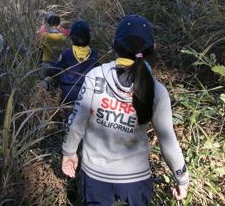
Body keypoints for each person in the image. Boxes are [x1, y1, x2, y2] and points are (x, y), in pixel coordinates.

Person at [61, 15, 189, 205]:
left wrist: (69, 152)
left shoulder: (95, 77)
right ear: (150, 50)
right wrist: (182, 178)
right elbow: (168, 140)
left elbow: (77, 122)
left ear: (114, 44)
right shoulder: (157, 91)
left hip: (96, 179)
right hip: (136, 182)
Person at [53, 21, 100, 107]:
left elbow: (55, 70)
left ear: (71, 37)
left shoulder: (66, 54)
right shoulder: (95, 55)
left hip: (67, 94)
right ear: (89, 37)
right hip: (87, 95)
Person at [37, 13, 69, 81]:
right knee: (58, 85)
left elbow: (39, 47)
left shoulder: (44, 36)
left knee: (43, 85)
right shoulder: (63, 36)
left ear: (48, 24)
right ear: (58, 24)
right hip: (58, 65)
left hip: (46, 64)